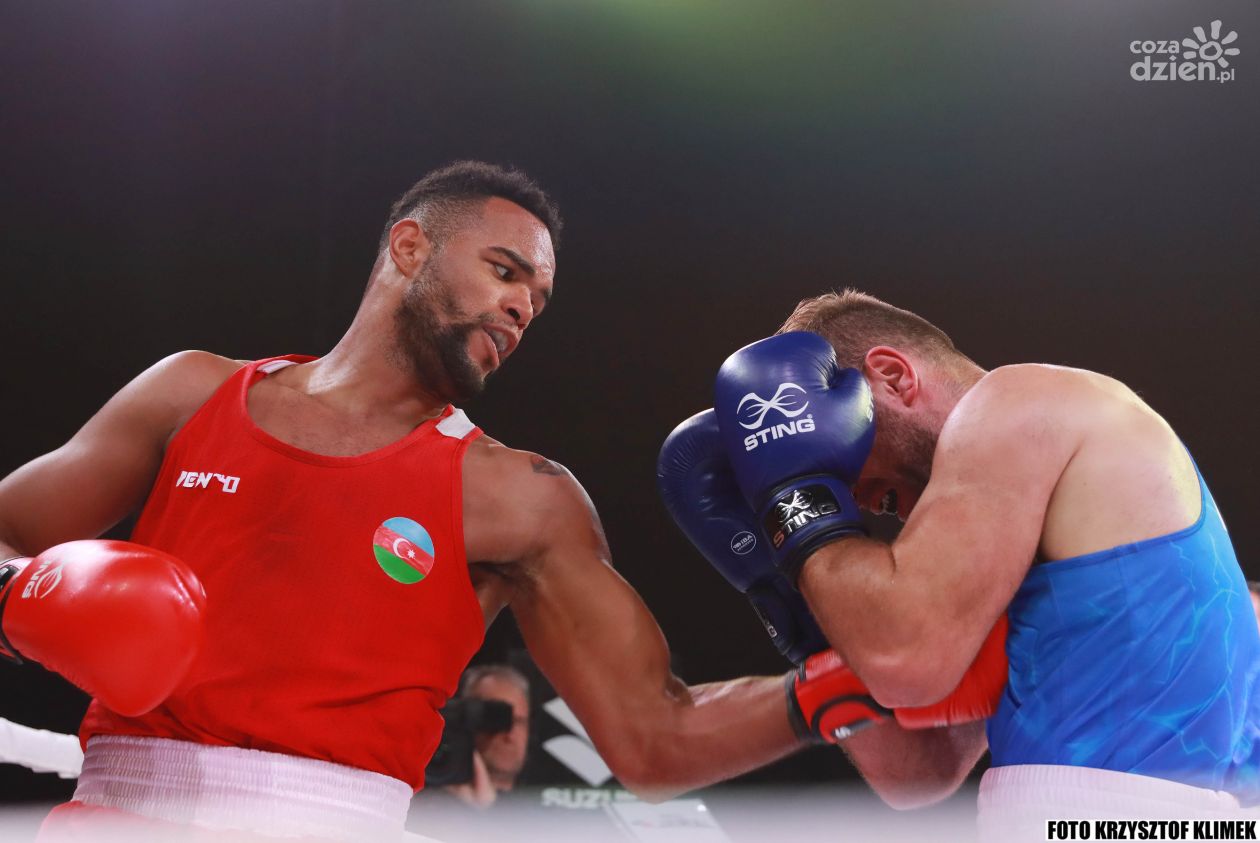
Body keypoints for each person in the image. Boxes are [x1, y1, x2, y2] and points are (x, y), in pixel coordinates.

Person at [0, 166, 1000, 840]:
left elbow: (653, 738)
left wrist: (822, 692)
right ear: (409, 247)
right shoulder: (192, 395)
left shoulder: (521, 499)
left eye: (538, 298)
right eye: (504, 271)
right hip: (112, 812)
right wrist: (21, 597)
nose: (522, 306)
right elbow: (10, 532)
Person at [662, 288, 1260, 828]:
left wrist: (797, 500)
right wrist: (799, 604)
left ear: (893, 377)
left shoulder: (1023, 399)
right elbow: (917, 773)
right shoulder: (1010, 531)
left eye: (834, 445)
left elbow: (902, 660)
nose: (856, 497)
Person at [444, 664, 531, 809]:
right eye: (497, 719)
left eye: (518, 721)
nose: (509, 735)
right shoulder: (430, 804)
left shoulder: (544, 811)